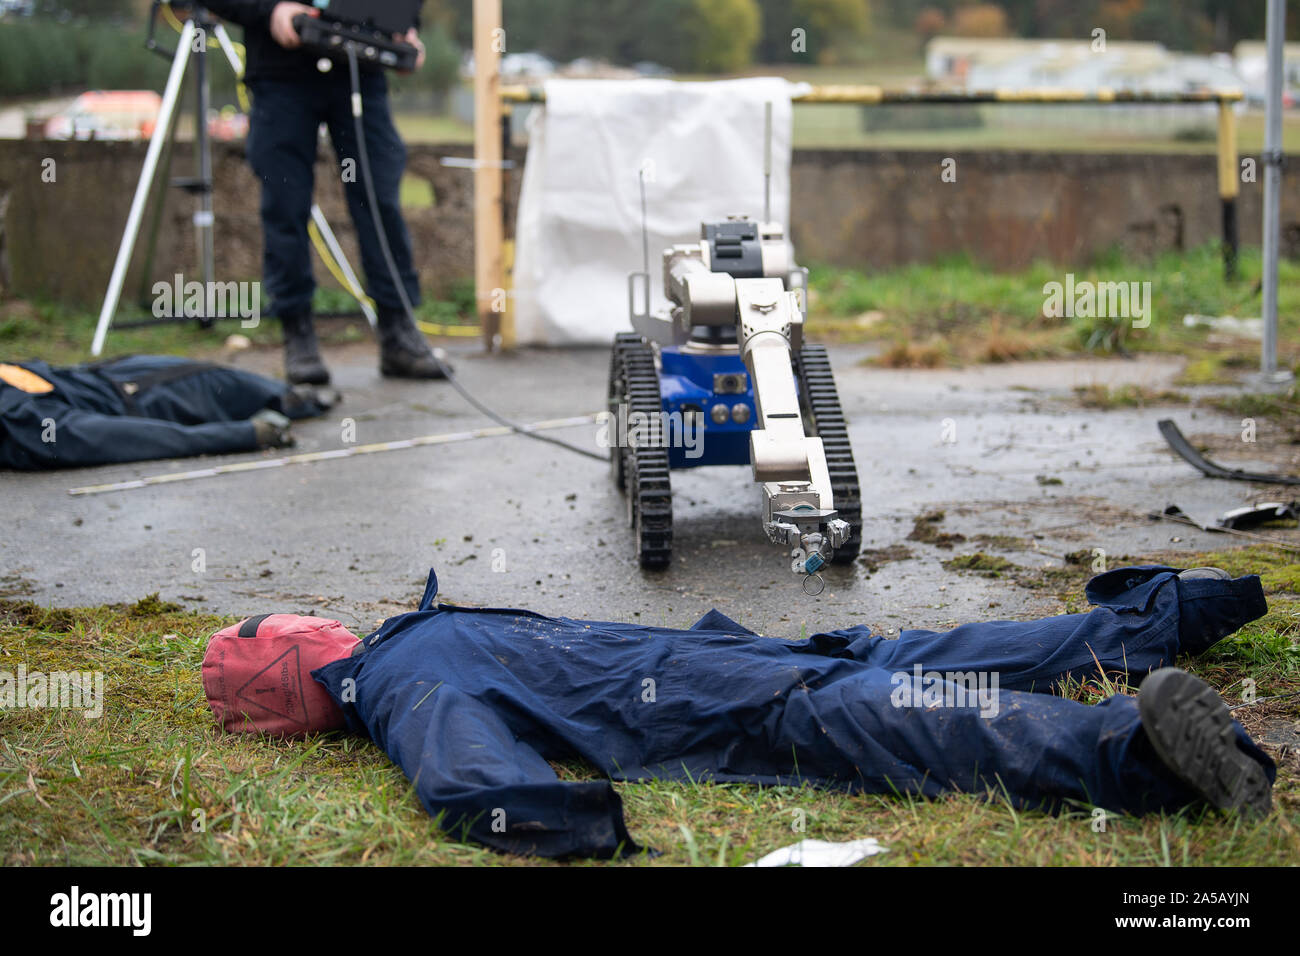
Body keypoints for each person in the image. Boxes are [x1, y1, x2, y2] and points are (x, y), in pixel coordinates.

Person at [204, 563, 1276, 858]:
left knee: (915, 665)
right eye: (294, 619)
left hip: (732, 661)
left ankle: (1160, 617)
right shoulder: (401, 679)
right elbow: (462, 772)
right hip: (740, 703)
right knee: (921, 703)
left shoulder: (404, 650)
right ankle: (1154, 755)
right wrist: (561, 822)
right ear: (303, 656)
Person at [201, 1, 447, 384]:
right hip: (281, 76)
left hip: (359, 74)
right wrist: (270, 11)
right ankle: (297, 334)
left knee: (378, 200)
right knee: (286, 205)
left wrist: (403, 30)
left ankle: (399, 332)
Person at [0, 355, 332, 469]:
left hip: (108, 373)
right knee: (230, 383)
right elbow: (123, 437)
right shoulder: (20, 418)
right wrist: (247, 433)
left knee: (210, 375)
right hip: (140, 396)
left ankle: (290, 398)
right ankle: (292, 400)